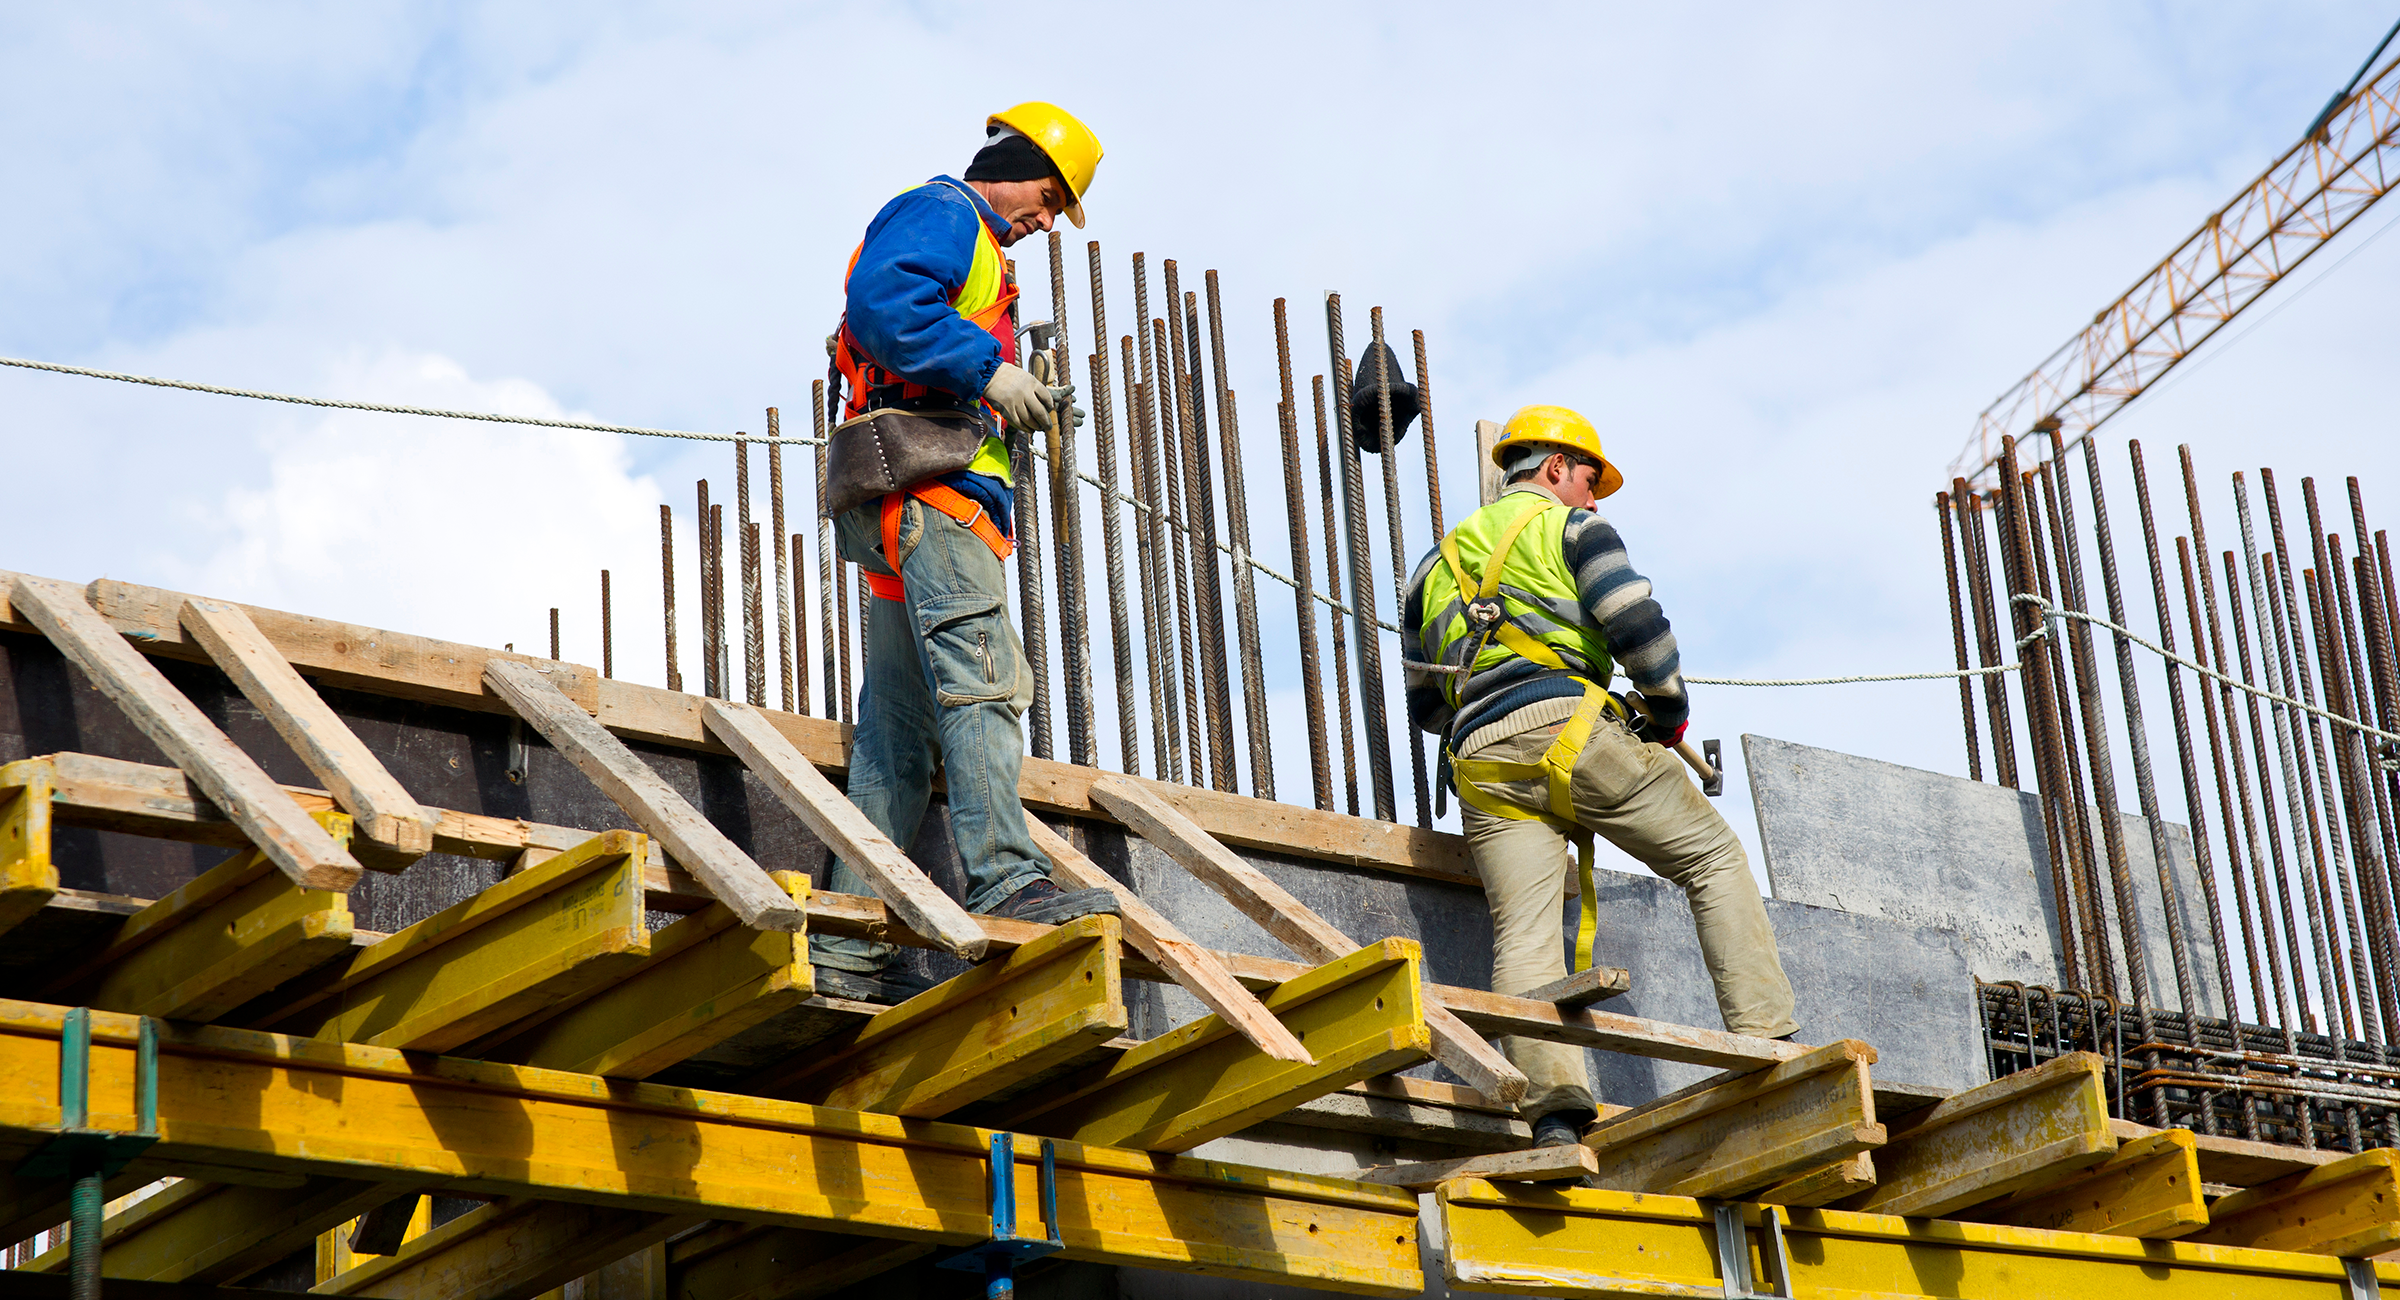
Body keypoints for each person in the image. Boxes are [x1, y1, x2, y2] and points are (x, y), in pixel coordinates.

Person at [1402, 404, 1798, 1146]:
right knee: (1712, 858)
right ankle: (1770, 1043)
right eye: (1589, 480)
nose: (1593, 497)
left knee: (1523, 935)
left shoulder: (1431, 567)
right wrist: (1668, 713)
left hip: (1481, 762)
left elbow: (1426, 704)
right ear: (1554, 469)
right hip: (1574, 733)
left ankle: (1553, 1114)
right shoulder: (1573, 529)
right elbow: (1637, 627)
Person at [809, 103, 1117, 1004]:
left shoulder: (978, 249)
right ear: (1010, 163)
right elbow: (885, 307)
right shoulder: (946, 213)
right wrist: (989, 373)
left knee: (897, 736)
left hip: (907, 505)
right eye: (1049, 196)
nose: (1047, 219)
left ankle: (850, 942)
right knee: (986, 682)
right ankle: (1008, 877)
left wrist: (1003, 387)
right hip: (933, 502)